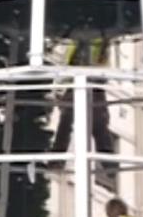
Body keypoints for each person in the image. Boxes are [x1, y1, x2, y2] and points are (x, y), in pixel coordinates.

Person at [49, 29, 115, 172]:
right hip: (78, 85)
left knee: (95, 124)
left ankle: (108, 162)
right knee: (68, 122)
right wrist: (60, 88)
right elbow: (67, 65)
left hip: (91, 86)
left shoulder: (97, 42)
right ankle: (108, 163)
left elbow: (101, 64)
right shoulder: (87, 41)